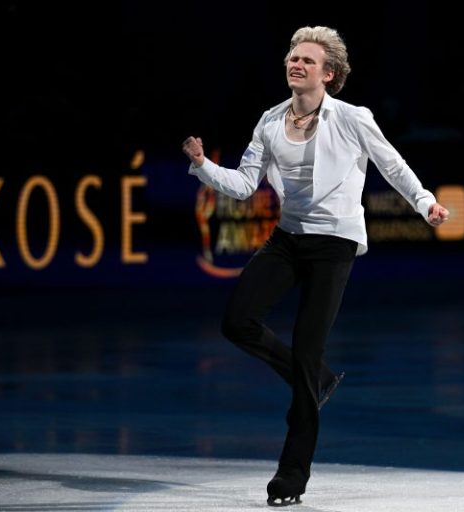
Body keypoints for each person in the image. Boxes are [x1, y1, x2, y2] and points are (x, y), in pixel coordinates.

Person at [182, 25, 449, 506]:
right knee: (237, 321)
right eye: (292, 56)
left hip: (334, 243)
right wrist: (203, 165)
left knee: (307, 351)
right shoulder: (269, 120)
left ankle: (291, 474)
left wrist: (424, 201)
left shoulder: (352, 118)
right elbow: (244, 185)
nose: (296, 63)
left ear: (329, 74)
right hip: (288, 238)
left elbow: (392, 165)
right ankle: (316, 378)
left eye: (307, 59)